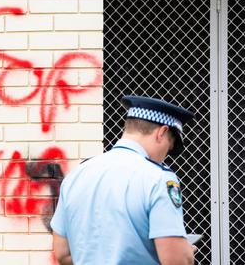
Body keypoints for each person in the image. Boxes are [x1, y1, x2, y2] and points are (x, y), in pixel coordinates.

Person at [50, 95, 197, 265]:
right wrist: (186, 252)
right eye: (169, 147)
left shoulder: (77, 175)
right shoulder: (159, 179)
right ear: (162, 133)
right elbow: (174, 260)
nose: (165, 155)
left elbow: (62, 252)